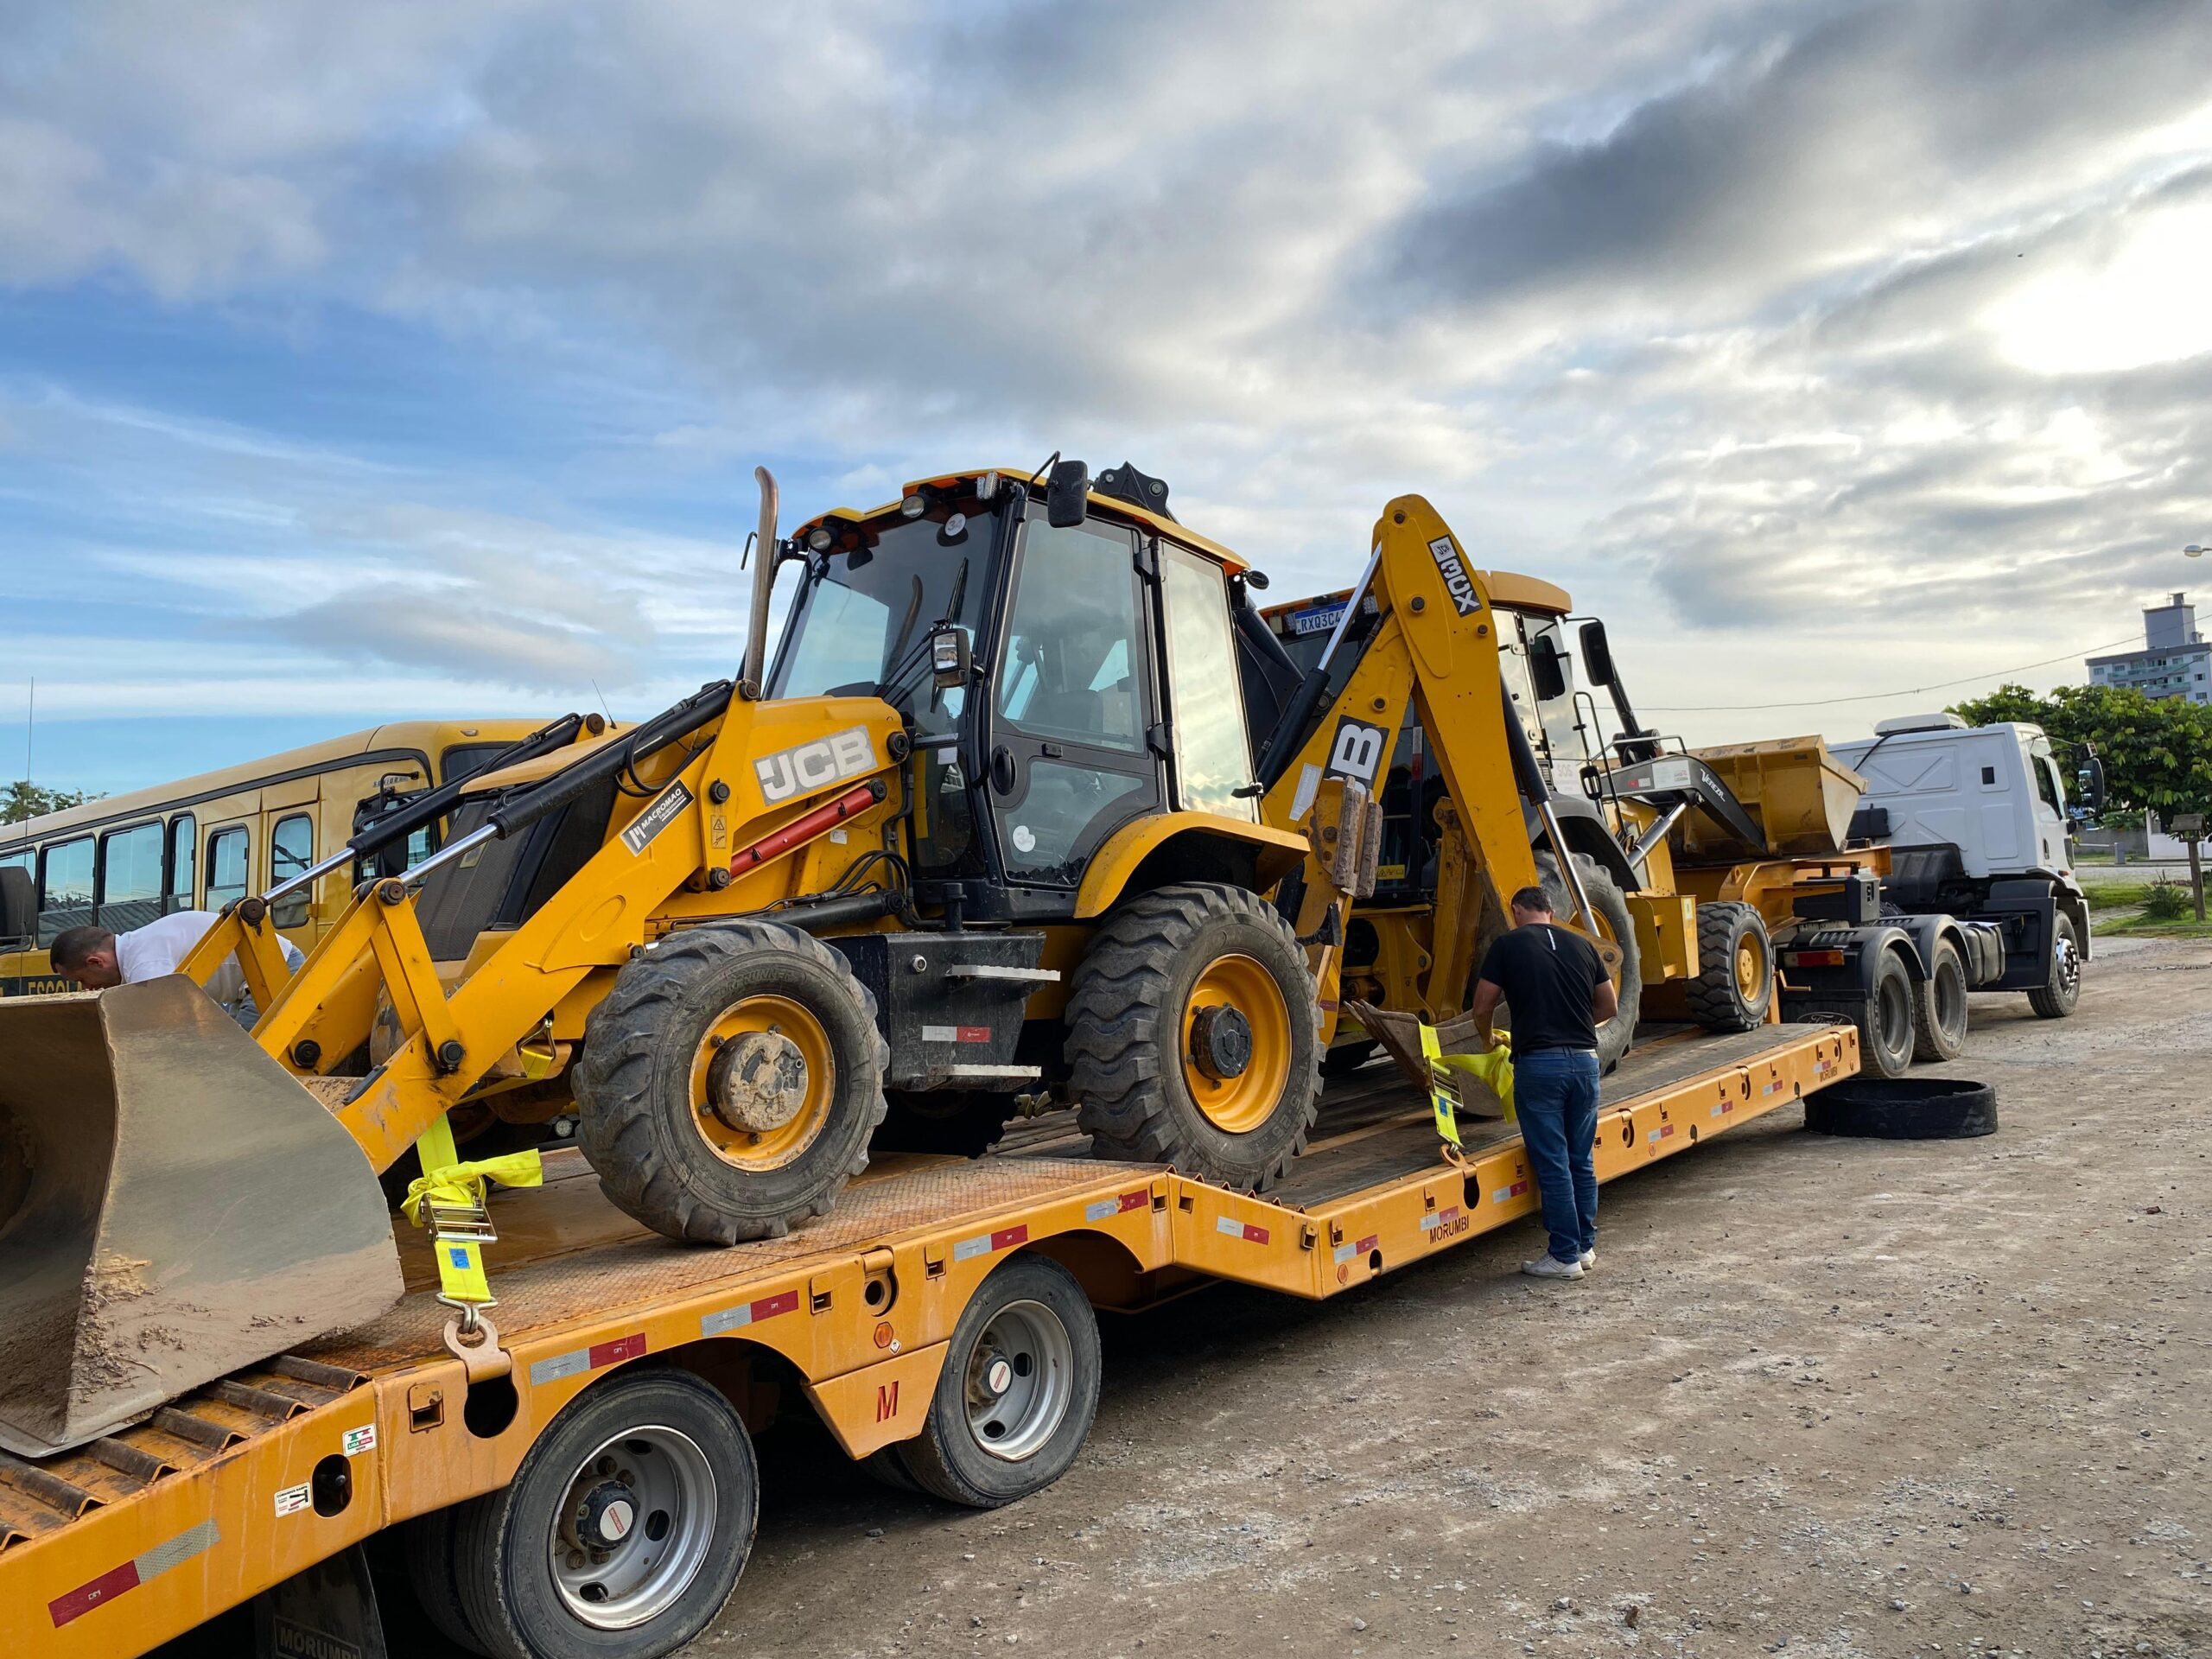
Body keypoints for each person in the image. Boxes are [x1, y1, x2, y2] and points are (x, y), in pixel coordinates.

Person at [1469, 885, 1618, 1281]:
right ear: (1551, 911)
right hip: (1586, 1063)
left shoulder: (1508, 945)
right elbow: (1610, 1005)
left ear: (1517, 910)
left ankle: (1564, 1256)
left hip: (1540, 1065)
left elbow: (1483, 1005)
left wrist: (1485, 1038)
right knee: (1581, 1160)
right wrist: (1577, 1022)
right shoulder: (1584, 946)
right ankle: (1585, 1248)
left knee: (1552, 1163)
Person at [50, 911, 305, 1024]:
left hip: (274, 970)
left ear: (96, 962)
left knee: (252, 1061)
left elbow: (166, 1022)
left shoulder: (145, 963)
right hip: (247, 984)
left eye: (82, 979)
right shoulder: (139, 950)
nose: (87, 988)